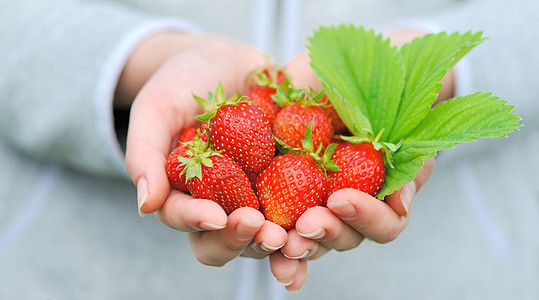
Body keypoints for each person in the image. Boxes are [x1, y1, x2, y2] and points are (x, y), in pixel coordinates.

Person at [0, 0, 537, 299]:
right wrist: (136, 61)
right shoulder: (246, 136)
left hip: (446, 274)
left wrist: (409, 81)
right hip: (80, 273)